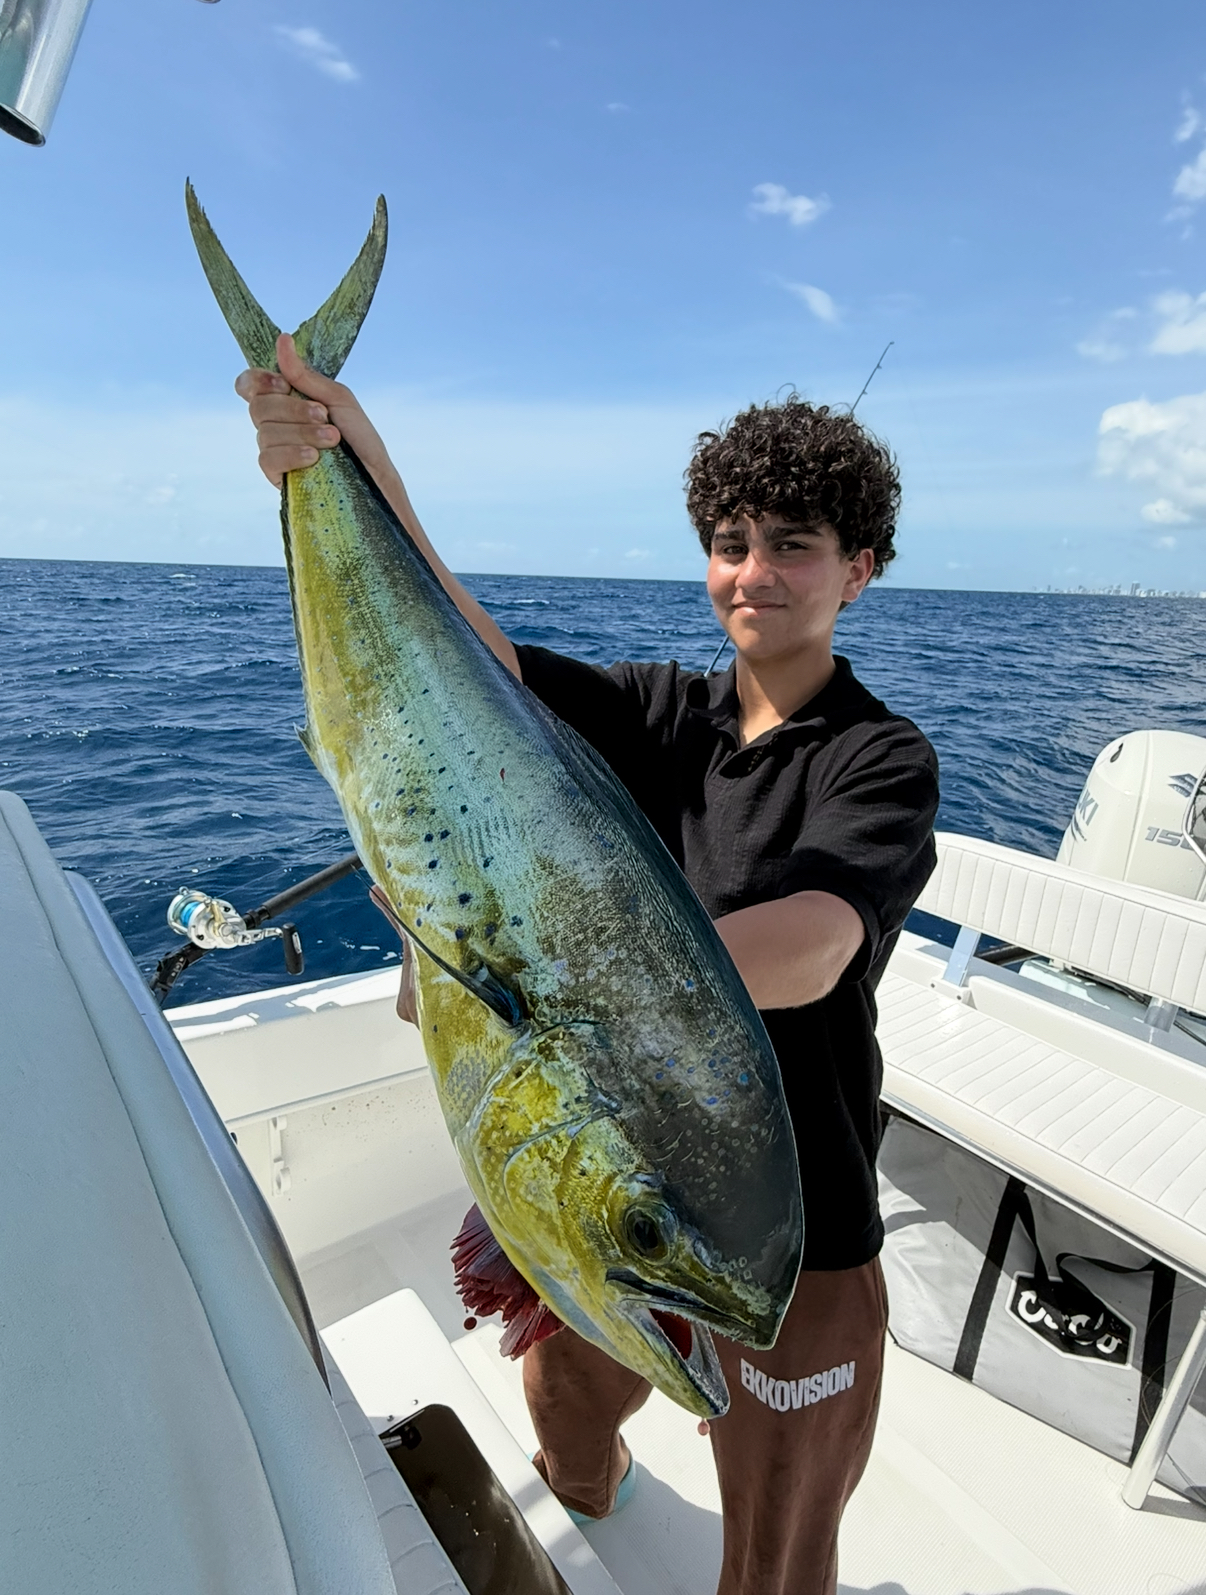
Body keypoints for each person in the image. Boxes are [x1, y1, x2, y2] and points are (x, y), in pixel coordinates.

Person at [236, 336, 939, 1595]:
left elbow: (820, 939)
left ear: (860, 569)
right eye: (731, 542)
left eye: (793, 545)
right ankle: (584, 1495)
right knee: (561, 1390)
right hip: (621, 1181)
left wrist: (572, 983)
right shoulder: (660, 709)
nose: (754, 574)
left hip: (782, 1228)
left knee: (777, 1550)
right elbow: (477, 659)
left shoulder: (879, 758)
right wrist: (346, 452)